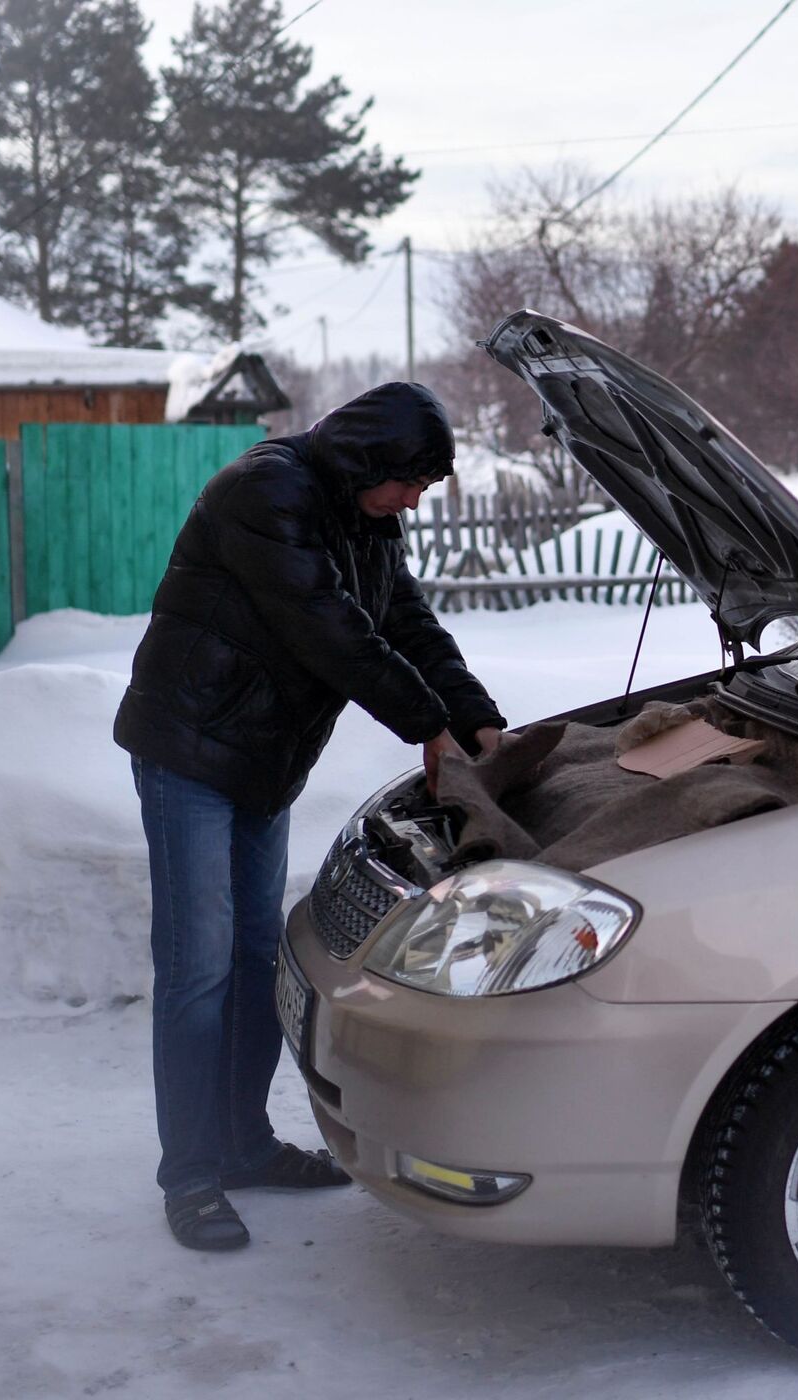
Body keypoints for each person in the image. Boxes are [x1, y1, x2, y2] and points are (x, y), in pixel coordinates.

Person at [114, 382, 505, 1251]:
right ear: (371, 459)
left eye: (424, 490)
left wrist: (476, 717)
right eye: (411, 482)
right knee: (197, 964)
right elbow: (331, 630)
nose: (413, 502)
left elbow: (405, 621)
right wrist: (427, 727)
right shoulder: (267, 491)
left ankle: (244, 1145)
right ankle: (189, 1174)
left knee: (259, 957)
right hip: (189, 750)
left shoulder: (365, 517)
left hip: (263, 761)